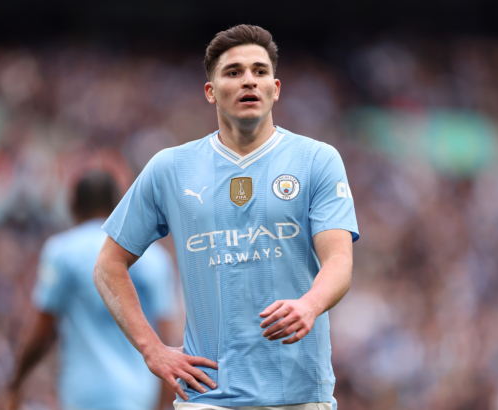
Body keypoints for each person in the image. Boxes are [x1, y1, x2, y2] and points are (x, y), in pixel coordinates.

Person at [94, 25, 359, 410]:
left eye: (260, 71)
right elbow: (108, 265)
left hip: (299, 393)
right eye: (233, 72)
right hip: (208, 396)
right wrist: (151, 350)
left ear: (276, 88)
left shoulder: (317, 159)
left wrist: (310, 304)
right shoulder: (170, 168)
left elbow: (339, 260)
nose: (249, 80)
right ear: (211, 92)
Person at [6, 170, 177, 410]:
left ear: (73, 206)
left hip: (86, 395)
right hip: (140, 394)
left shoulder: (62, 252)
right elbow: (165, 339)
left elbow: (41, 333)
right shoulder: (157, 259)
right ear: (119, 205)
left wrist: (15, 383)